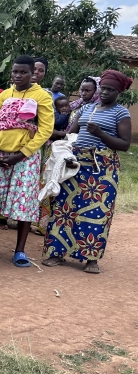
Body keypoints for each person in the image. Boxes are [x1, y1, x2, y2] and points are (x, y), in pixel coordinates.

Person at [42, 70, 132, 274]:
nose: (106, 92)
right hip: (75, 165)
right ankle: (57, 252)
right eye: (104, 89)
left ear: (118, 92)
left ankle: (91, 259)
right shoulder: (86, 109)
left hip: (102, 169)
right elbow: (70, 134)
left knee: (97, 212)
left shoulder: (121, 113)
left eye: (111, 90)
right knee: (64, 208)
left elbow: (124, 145)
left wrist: (100, 133)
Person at [0, 55, 55, 267]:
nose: (18, 76)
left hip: (25, 158)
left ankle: (19, 251)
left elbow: (46, 129)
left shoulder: (42, 96)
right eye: (14, 72)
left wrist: (22, 153)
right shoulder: (4, 94)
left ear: (32, 74)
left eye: (23, 72)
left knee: (24, 201)